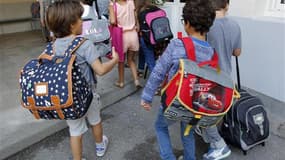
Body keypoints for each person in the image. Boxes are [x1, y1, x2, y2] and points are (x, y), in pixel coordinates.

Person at [140, 0, 216, 159]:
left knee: (160, 127)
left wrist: (147, 96)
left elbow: (158, 72)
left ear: (187, 23)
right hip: (196, 104)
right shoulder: (211, 52)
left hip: (174, 101)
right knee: (188, 132)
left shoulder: (177, 45)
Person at [45, 1, 119, 159]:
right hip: (87, 94)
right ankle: (100, 147)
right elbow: (100, 70)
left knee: (75, 130)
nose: (83, 22)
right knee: (95, 120)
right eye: (80, 19)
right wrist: (114, 60)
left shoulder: (53, 46)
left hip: (67, 96)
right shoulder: (84, 44)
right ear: (72, 25)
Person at [201, 0, 242, 160]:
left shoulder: (205, 26)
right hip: (226, 78)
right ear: (227, 5)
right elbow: (237, 53)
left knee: (204, 113)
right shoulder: (235, 25)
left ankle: (220, 146)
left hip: (209, 78)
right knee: (217, 111)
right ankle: (213, 140)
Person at [109, 0, 141, 88]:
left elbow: (112, 21)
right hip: (133, 34)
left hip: (121, 36)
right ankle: (136, 80)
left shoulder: (113, 5)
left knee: (120, 61)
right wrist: (137, 25)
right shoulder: (131, 1)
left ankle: (121, 82)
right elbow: (135, 15)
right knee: (131, 60)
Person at [136, 0, 157, 77]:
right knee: (142, 50)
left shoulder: (140, 12)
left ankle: (156, 82)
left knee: (150, 59)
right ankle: (140, 69)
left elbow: (138, 28)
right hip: (157, 36)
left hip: (146, 37)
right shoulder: (156, 8)